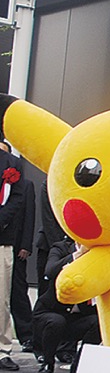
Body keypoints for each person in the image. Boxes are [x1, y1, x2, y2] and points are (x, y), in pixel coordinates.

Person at [33, 238, 100, 373]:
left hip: (76, 316)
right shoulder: (60, 248)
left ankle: (80, 364)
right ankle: (47, 364)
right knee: (56, 321)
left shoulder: (98, 254)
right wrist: (78, 255)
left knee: (97, 322)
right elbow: (50, 271)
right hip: (51, 311)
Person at [2, 145, 36, 352]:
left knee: (15, 292)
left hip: (13, 242)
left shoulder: (23, 181)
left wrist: (25, 245)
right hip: (7, 238)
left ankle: (26, 334)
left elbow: (28, 215)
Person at [0, 149, 28, 372]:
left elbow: (17, 199)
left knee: (1, 299)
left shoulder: (12, 163)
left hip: (2, 239)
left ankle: (2, 349)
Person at [34, 179, 68, 297]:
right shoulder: (50, 183)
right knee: (46, 292)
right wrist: (61, 248)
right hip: (50, 245)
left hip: (75, 246)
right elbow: (48, 220)